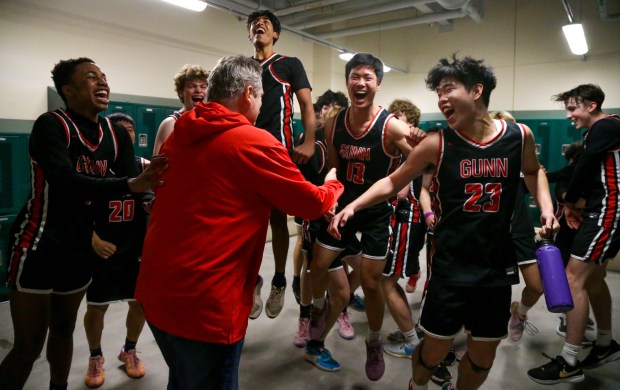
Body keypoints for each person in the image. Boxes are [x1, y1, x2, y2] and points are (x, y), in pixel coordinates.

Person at [328, 54, 557, 390]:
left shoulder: (518, 136)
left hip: (495, 269)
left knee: (482, 358)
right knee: (433, 351)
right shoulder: (438, 143)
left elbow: (534, 171)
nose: (442, 99)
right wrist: (353, 206)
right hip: (449, 267)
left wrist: (547, 206)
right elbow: (393, 181)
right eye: (438, 93)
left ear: (477, 90)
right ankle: (417, 386)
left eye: (448, 89)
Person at [134, 55, 343, 390]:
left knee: (185, 379)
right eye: (260, 98)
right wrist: (334, 181)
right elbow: (311, 204)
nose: (261, 106)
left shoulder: (180, 131)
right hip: (206, 304)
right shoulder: (253, 141)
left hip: (157, 293)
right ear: (249, 94)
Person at [0, 57, 166, 390]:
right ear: (68, 90)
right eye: (91, 78)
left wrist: (155, 199)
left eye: (104, 76)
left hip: (79, 249)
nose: (102, 82)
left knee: (63, 331)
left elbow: (128, 190)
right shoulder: (52, 125)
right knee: (29, 346)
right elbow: (66, 181)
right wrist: (131, 185)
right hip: (39, 242)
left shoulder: (117, 134)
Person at [307, 53, 425, 381]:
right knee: (317, 263)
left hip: (374, 213)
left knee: (372, 282)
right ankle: (318, 307)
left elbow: (421, 162)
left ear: (378, 84)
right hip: (342, 206)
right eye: (355, 76)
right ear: (347, 82)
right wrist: (330, 185)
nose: (361, 82)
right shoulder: (334, 124)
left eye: (368, 77)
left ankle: (373, 342)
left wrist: (408, 179)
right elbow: (333, 164)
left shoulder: (390, 126)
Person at [528, 84, 620, 385]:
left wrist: (568, 202)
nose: (569, 116)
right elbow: (581, 168)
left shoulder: (606, 125)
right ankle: (605, 344)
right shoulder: (599, 131)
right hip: (601, 211)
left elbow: (586, 165)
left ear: (591, 106)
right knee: (593, 278)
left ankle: (569, 360)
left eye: (573, 109)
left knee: (572, 279)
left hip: (607, 213)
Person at [247, 10, 317, 320]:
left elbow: (306, 105)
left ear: (276, 33)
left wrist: (309, 140)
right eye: (254, 23)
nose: (259, 26)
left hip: (278, 151)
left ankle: (278, 279)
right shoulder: (244, 68)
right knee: (248, 222)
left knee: (277, 219)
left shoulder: (288, 64)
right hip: (247, 152)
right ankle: (253, 279)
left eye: (266, 23)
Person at [82, 112, 151, 388]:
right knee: (97, 307)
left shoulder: (143, 166)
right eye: (119, 129)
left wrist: (152, 205)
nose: (127, 133)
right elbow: (75, 208)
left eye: (130, 129)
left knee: (140, 303)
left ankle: (129, 350)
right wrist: (92, 239)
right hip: (103, 250)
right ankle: (95, 356)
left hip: (135, 249)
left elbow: (152, 198)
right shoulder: (93, 167)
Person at [486, 110, 544, 343]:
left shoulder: (523, 163)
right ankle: (479, 338)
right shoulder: (485, 161)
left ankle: (519, 313)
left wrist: (548, 211)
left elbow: (537, 183)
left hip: (520, 229)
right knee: (490, 293)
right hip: (492, 232)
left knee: (536, 285)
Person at [382, 98, 425, 361]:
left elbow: (400, 192)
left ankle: (411, 342)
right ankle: (409, 331)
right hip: (400, 220)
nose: (394, 121)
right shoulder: (404, 147)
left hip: (405, 218)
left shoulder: (410, 149)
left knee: (385, 281)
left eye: (399, 117)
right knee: (387, 279)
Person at [152, 64, 209, 155]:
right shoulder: (171, 123)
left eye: (203, 86)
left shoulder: (210, 121)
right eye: (192, 86)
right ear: (181, 92)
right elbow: (157, 164)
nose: (198, 90)